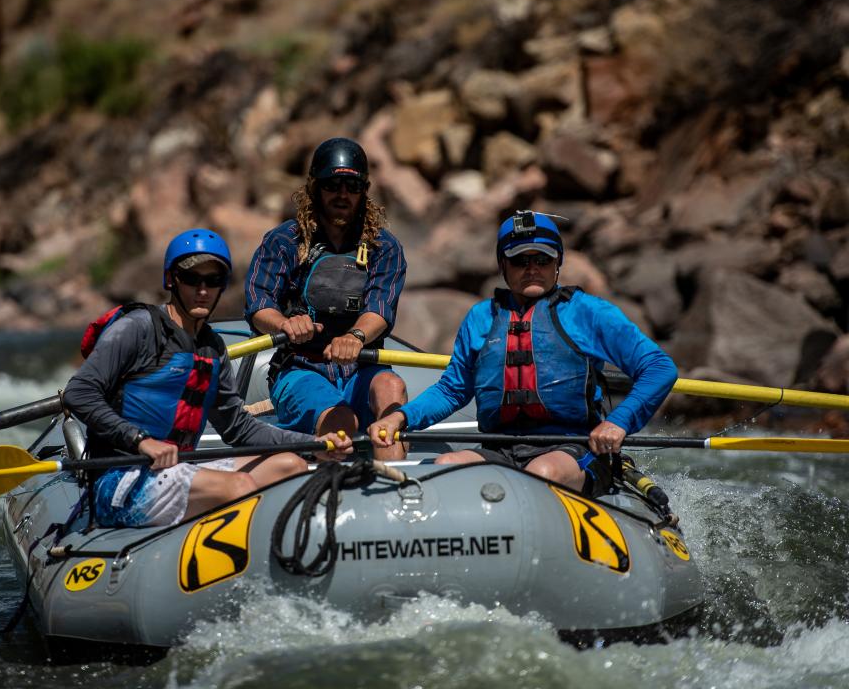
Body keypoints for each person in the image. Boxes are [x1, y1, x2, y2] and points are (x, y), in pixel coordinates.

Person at [368, 211, 678, 496]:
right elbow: (453, 390)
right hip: (500, 448)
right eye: (520, 261)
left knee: (540, 472)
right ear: (503, 266)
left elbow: (658, 367)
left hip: (573, 448)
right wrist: (401, 417)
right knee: (446, 465)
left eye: (542, 260)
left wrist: (620, 421)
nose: (532, 269)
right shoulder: (481, 318)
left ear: (558, 263)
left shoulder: (587, 312)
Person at [64, 228, 352, 527]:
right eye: (191, 279)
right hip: (120, 478)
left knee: (291, 465)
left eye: (212, 281)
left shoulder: (212, 348)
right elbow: (79, 393)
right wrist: (141, 441)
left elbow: (239, 429)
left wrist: (314, 444)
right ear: (170, 280)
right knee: (238, 488)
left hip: (178, 469)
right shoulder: (138, 327)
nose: (202, 289)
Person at [245, 137, 409, 460]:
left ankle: (397, 491)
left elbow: (380, 309)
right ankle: (331, 472)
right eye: (333, 185)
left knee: (391, 386)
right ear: (315, 189)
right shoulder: (282, 242)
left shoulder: (385, 248)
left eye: (352, 185)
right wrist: (285, 324)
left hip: (363, 370)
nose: (342, 194)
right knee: (342, 420)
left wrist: (355, 336)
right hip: (300, 369)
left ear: (364, 191)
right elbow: (257, 303)